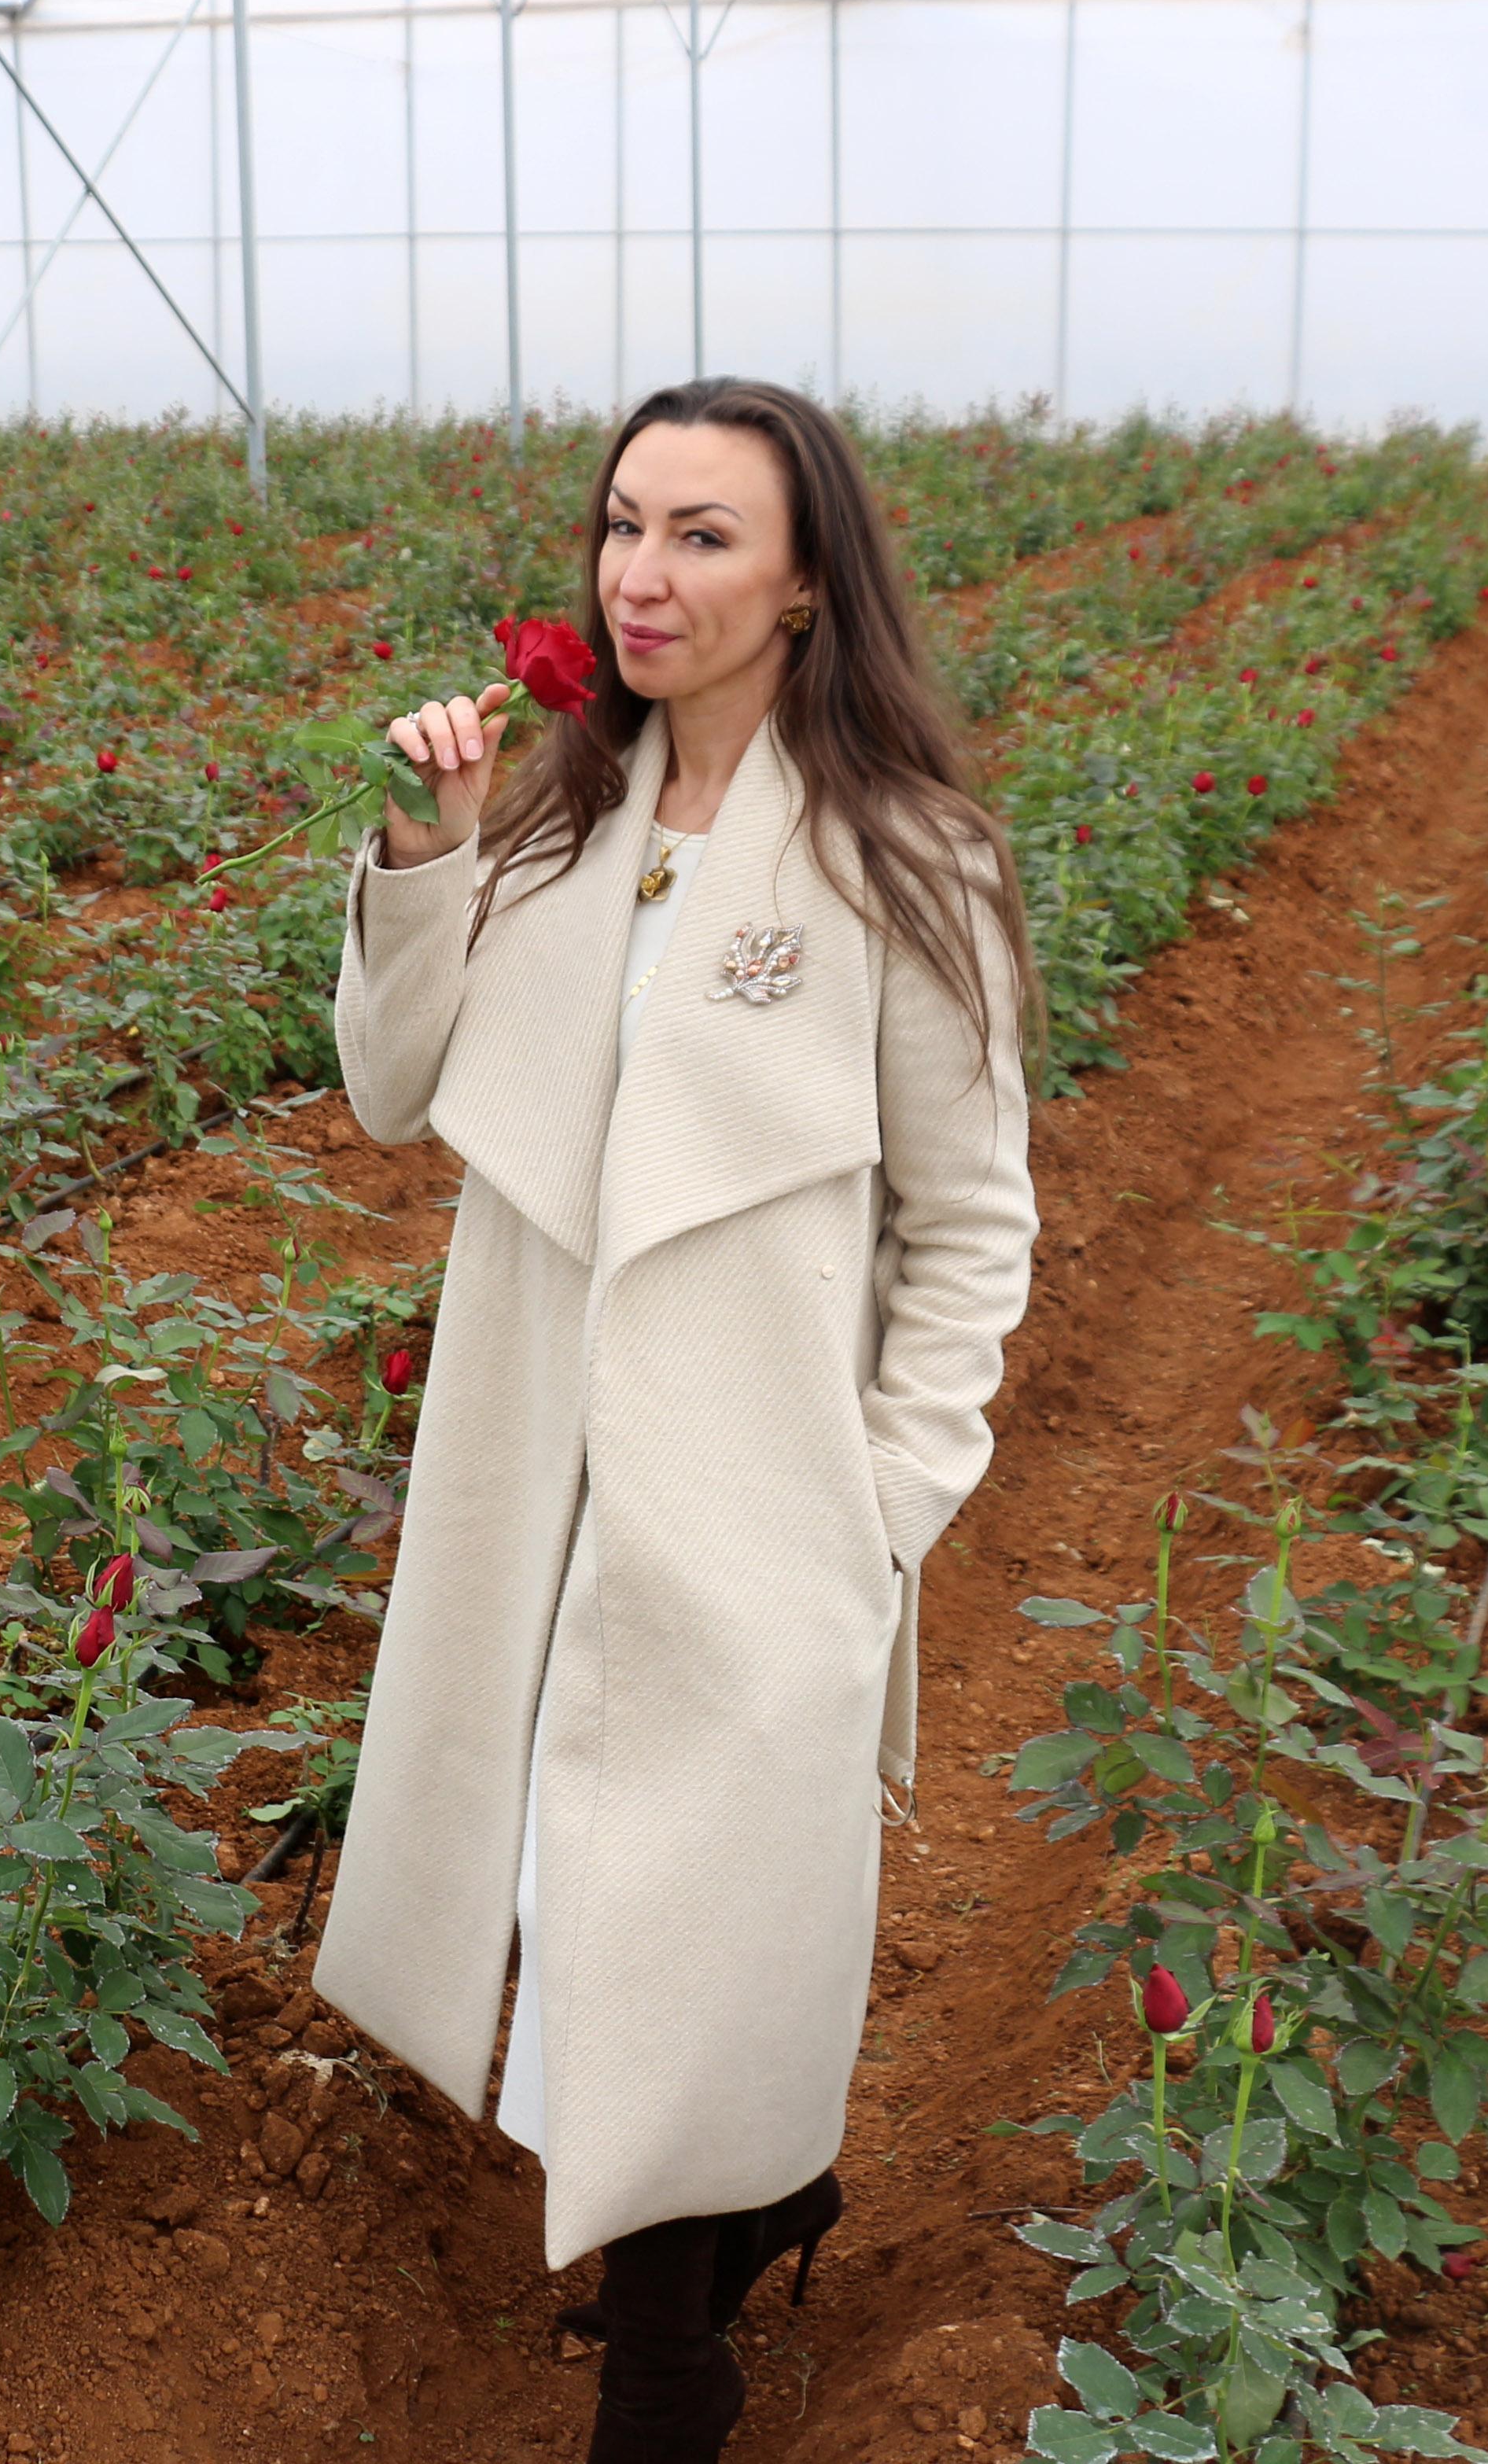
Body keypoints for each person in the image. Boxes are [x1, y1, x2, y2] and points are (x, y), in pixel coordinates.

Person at [311, 378, 1044, 2463]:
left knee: (683, 1908)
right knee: (567, 1880)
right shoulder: (550, 823)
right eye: (626, 525)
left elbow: (975, 1223)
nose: (645, 572)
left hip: (752, 1507)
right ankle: (748, 2213)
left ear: (808, 582)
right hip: (538, 1485)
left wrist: (878, 1508)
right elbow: (391, 1088)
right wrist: (423, 852)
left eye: (705, 534)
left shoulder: (906, 858)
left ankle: (668, 2364)